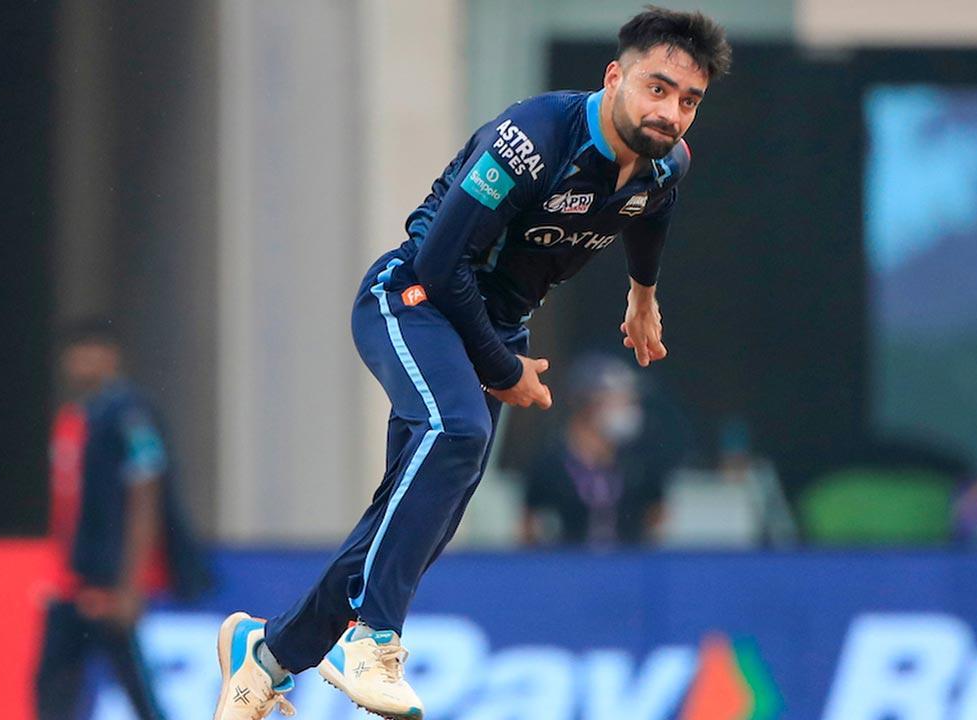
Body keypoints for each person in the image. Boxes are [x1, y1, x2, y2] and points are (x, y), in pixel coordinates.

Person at [213, 8, 731, 718]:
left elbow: (652, 212)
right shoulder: (530, 138)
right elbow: (438, 260)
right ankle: (373, 641)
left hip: (492, 327)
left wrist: (643, 295)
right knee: (456, 433)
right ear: (615, 77)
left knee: (419, 519)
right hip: (413, 300)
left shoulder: (667, 164)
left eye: (688, 101)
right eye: (657, 88)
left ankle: (267, 657)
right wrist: (502, 368)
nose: (670, 112)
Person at [36, 320, 209, 720]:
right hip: (73, 575)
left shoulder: (129, 413)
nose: (82, 362)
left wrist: (131, 583)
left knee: (130, 682)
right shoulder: (78, 414)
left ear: (112, 357)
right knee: (56, 681)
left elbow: (145, 492)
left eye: (91, 352)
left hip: (108, 575)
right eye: (75, 353)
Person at [521, 354, 662, 547]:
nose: (630, 410)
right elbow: (529, 530)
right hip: (564, 571)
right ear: (587, 404)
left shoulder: (638, 465)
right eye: (620, 400)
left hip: (627, 572)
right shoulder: (549, 467)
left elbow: (655, 522)